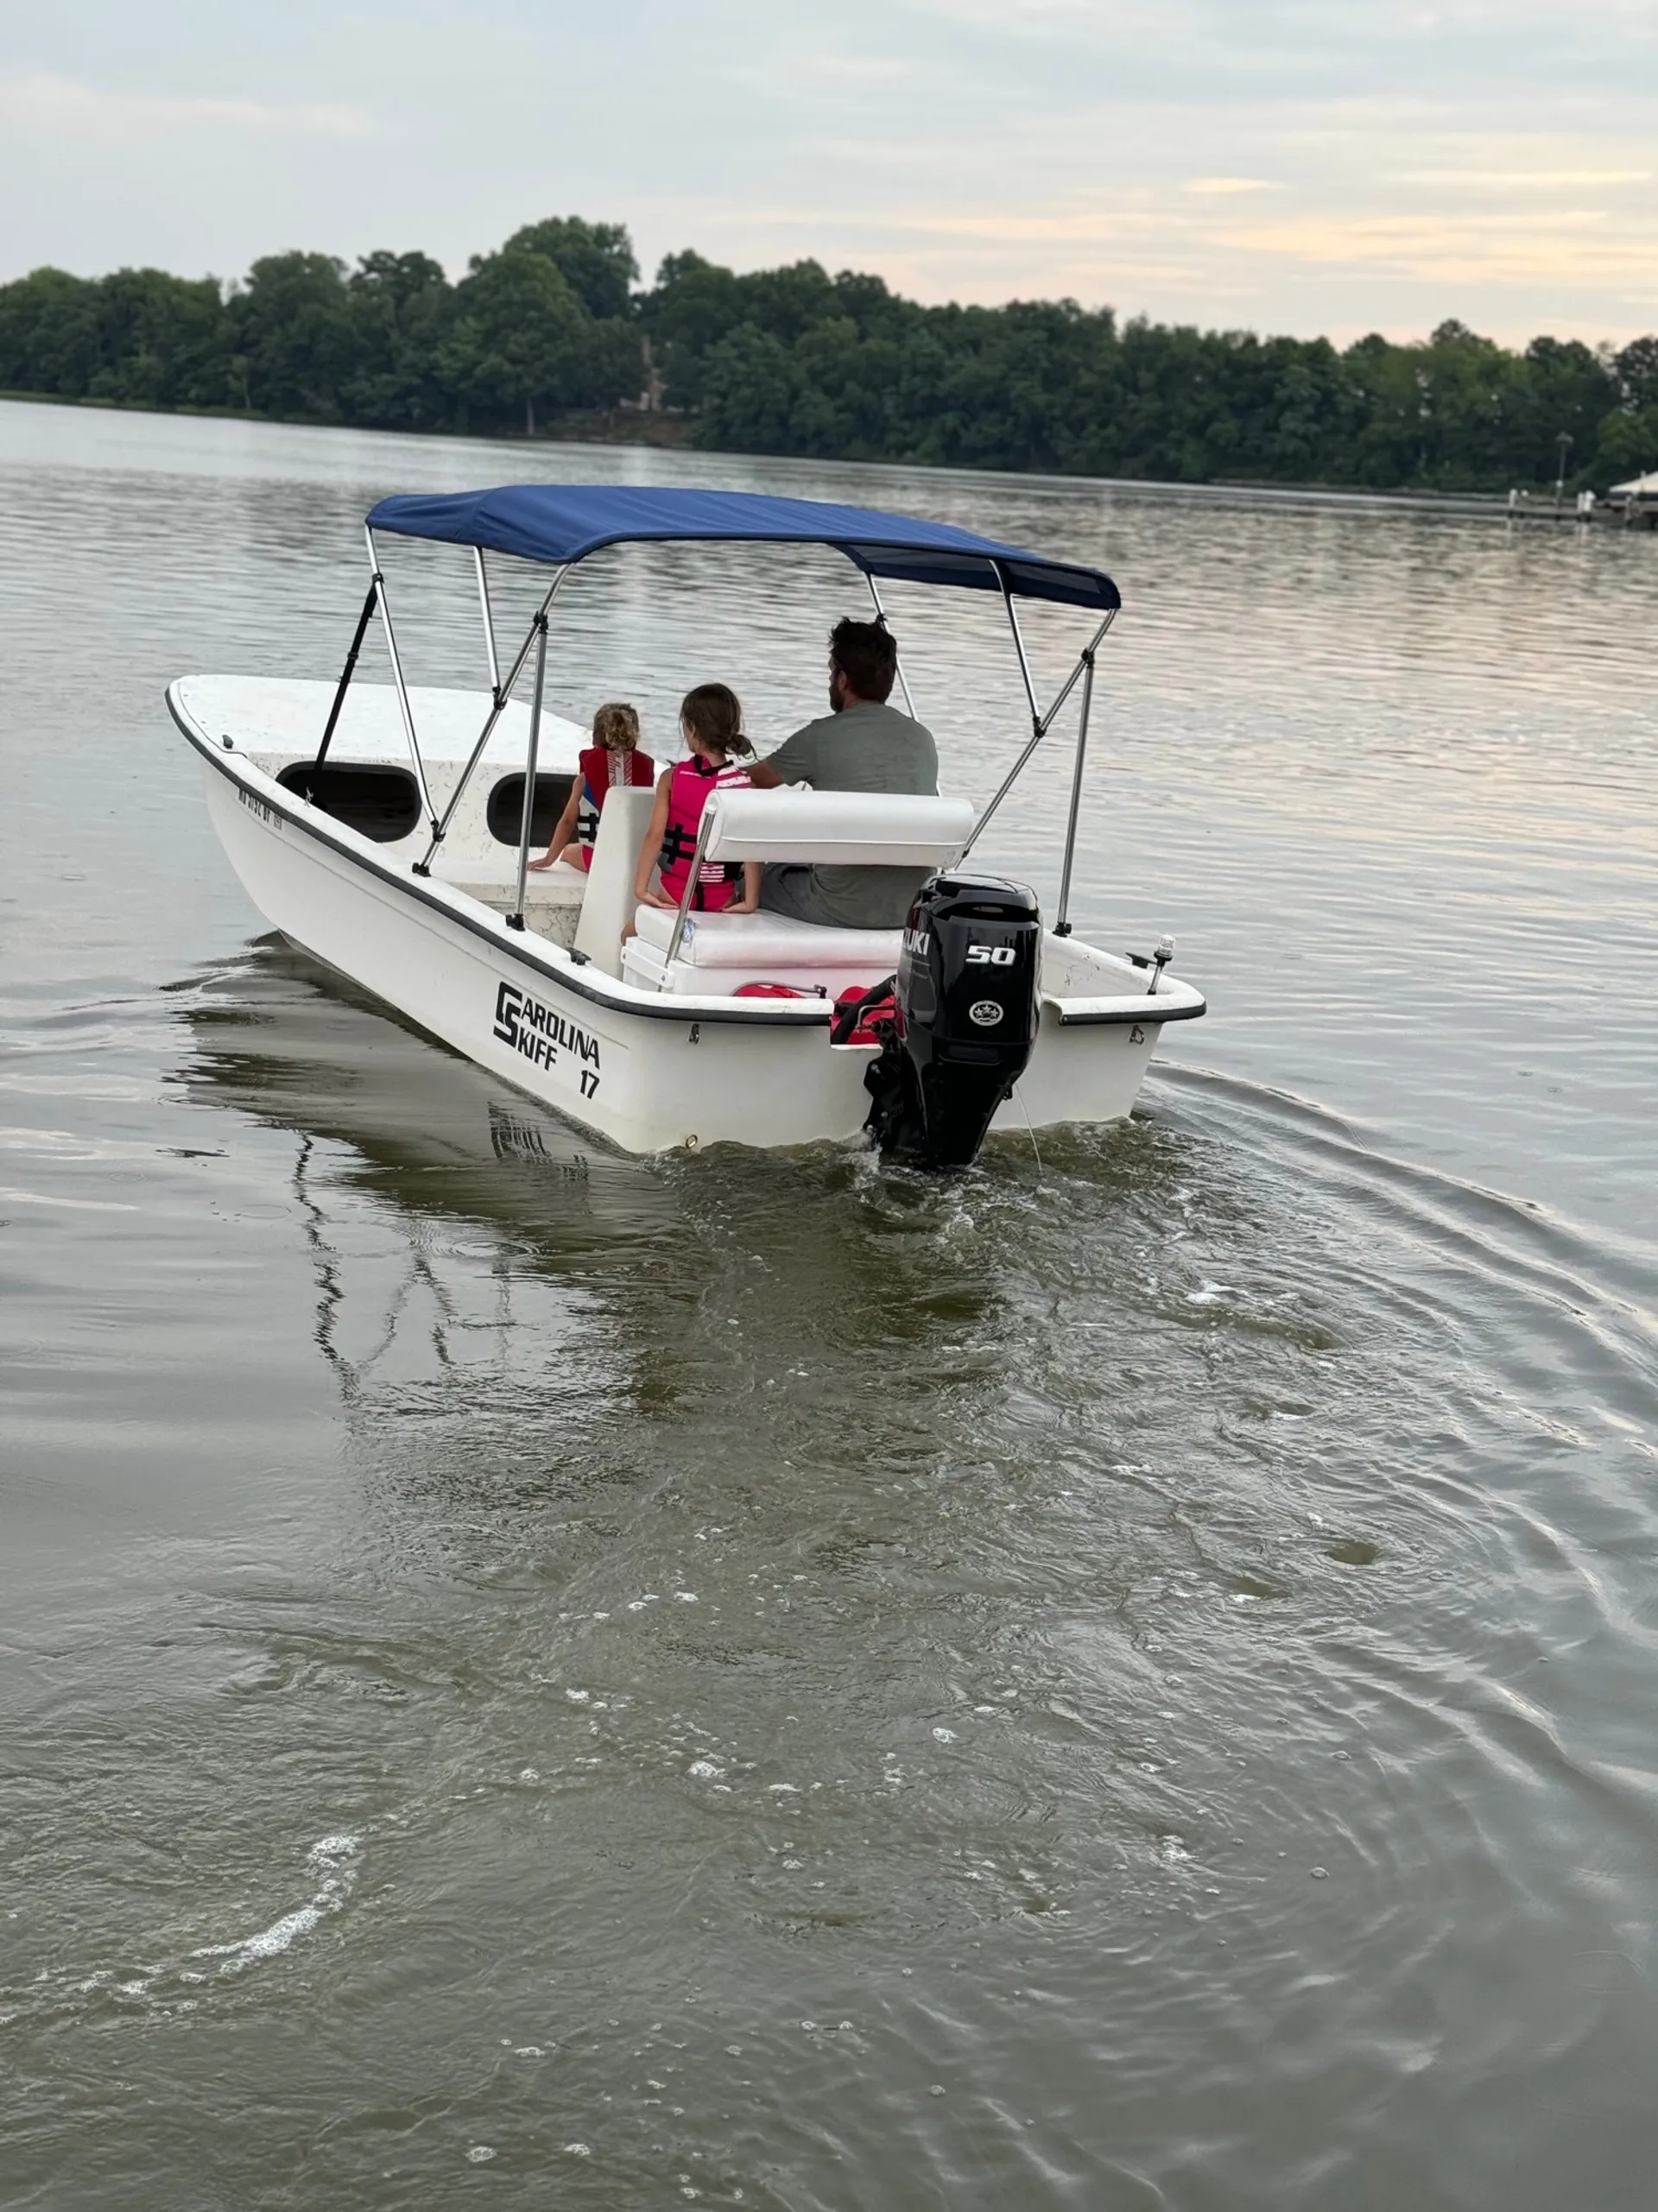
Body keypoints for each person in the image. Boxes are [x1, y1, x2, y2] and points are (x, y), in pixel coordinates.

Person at [747, 615, 939, 928]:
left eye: (831, 672)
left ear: (842, 680)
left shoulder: (820, 737)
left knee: (755, 880)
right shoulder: (922, 739)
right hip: (908, 908)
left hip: (838, 907)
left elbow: (749, 780)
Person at [631, 683, 761, 923]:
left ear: (692, 728)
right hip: (722, 899)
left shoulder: (672, 779)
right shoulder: (743, 784)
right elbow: (750, 847)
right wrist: (751, 900)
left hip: (675, 895)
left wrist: (641, 888)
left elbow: (654, 836)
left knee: (627, 936)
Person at [528, 700, 654, 874]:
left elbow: (567, 822)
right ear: (635, 734)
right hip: (636, 860)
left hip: (599, 859)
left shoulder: (583, 780)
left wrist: (549, 858)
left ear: (596, 735)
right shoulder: (646, 768)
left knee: (568, 851)